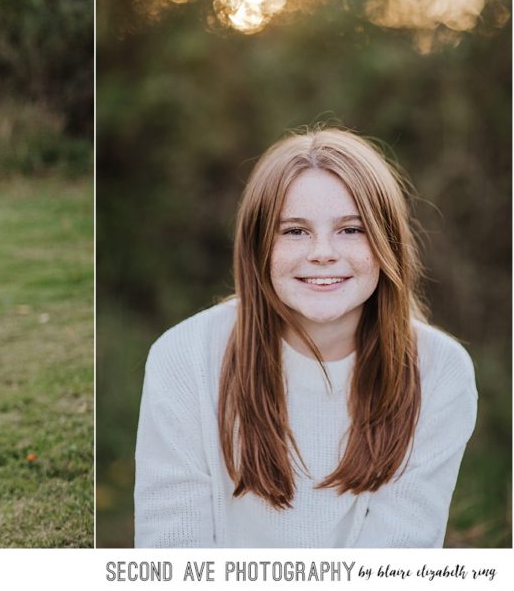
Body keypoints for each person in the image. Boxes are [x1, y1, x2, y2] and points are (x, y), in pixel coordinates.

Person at [134, 127, 476, 547]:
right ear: (259, 245)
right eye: (295, 231)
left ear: (386, 241)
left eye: (351, 229)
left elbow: (397, 560)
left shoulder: (439, 371)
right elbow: (172, 551)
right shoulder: (184, 357)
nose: (322, 252)